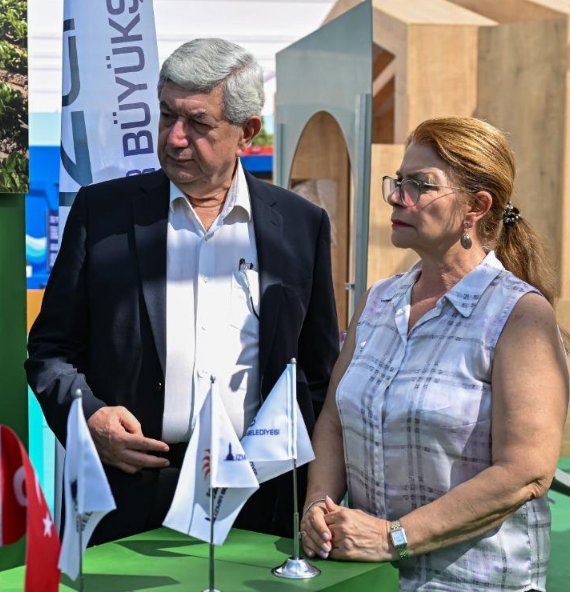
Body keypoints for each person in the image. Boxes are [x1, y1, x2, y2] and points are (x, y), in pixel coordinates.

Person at [299, 117, 570, 592]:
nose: (398, 197)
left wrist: (393, 537)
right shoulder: (380, 300)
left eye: (419, 184)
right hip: (367, 587)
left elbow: (527, 471)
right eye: (398, 181)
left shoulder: (519, 315)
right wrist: (318, 502)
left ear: (477, 207)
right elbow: (335, 418)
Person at [26, 38, 339, 544]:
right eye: (168, 114)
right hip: (127, 491)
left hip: (259, 495)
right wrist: (88, 415)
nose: (175, 138)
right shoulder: (102, 214)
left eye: (197, 123)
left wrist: (315, 490)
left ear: (246, 132)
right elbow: (50, 351)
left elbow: (318, 371)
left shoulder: (301, 225)